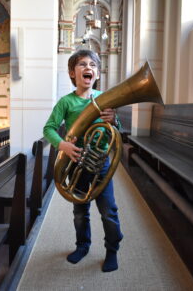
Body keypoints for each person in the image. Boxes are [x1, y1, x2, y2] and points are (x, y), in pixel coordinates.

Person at [43, 49, 123, 272]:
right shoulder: (66, 102)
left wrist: (114, 120)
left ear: (97, 73)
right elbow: (48, 128)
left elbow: (118, 132)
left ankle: (112, 250)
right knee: (80, 211)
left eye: (93, 65)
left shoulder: (105, 99)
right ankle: (82, 246)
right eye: (82, 65)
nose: (88, 68)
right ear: (72, 73)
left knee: (109, 210)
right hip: (76, 163)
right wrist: (64, 145)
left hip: (101, 164)